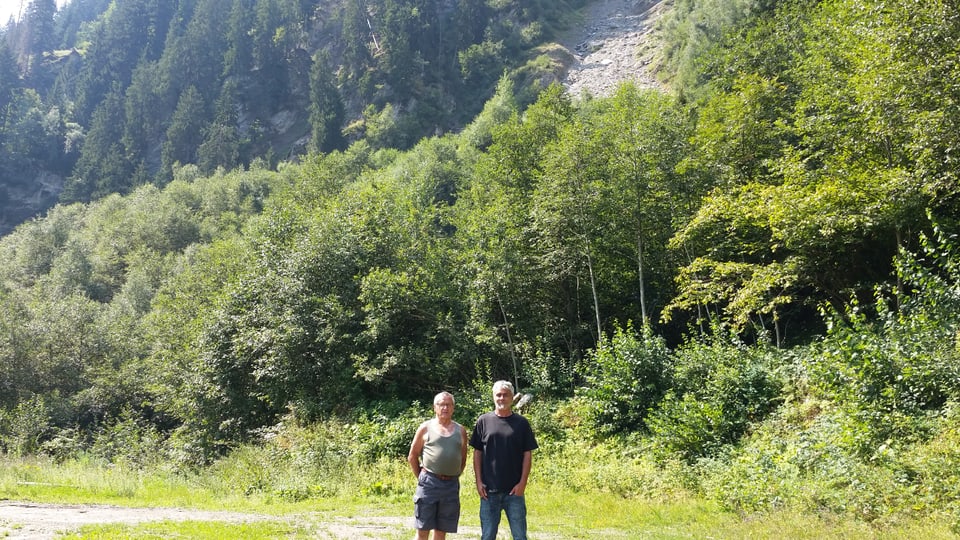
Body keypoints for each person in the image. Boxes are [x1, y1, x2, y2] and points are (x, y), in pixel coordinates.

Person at [470, 380, 539, 540]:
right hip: (488, 492)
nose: (501, 398)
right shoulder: (483, 421)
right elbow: (477, 453)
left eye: (505, 395)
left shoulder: (521, 423)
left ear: (512, 397)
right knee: (487, 536)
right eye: (498, 395)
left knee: (520, 536)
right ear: (493, 397)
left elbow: (527, 454)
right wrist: (478, 482)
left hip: (514, 492)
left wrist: (522, 484)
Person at [408, 391, 469, 540]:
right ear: (435, 407)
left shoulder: (461, 430)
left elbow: (462, 458)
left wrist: (451, 474)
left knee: (441, 532)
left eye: (448, 405)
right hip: (429, 484)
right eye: (441, 404)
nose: (445, 408)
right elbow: (412, 456)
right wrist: (422, 477)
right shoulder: (425, 427)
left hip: (450, 486)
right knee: (422, 529)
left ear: (453, 408)